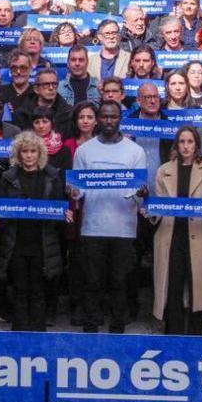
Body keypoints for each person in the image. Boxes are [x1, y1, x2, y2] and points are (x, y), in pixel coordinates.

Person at [69, 101, 148, 333]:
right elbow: (77, 190)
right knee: (92, 282)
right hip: (92, 227)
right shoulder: (84, 151)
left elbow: (139, 194)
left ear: (120, 118)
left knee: (119, 282)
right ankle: (91, 326)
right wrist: (72, 191)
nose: (108, 121)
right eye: (104, 117)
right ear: (97, 119)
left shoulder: (135, 151)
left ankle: (117, 327)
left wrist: (142, 192)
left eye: (113, 117)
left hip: (124, 228)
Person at [0, 132, 71, 332]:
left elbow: (58, 206)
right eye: (24, 152)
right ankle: (19, 334)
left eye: (32, 151)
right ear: (18, 155)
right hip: (16, 243)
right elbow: (0, 209)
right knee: (19, 290)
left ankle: (38, 334)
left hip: (42, 243)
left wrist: (64, 214)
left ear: (40, 153)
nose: (28, 156)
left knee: (38, 291)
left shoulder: (52, 176)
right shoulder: (8, 178)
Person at [151, 126, 202, 335]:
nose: (186, 146)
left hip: (198, 235)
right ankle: (172, 332)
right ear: (176, 144)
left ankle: (197, 334)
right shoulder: (163, 170)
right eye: (182, 141)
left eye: (190, 141)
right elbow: (159, 207)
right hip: (170, 235)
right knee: (172, 286)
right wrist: (149, 210)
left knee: (197, 287)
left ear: (197, 145)